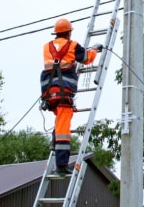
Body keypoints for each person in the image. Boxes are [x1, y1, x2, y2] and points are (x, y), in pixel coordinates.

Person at [40, 18, 102, 176]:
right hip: (63, 92)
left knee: (59, 122)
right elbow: (86, 58)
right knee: (63, 129)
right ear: (68, 32)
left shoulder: (46, 47)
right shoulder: (73, 45)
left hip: (49, 92)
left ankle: (55, 148)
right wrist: (94, 49)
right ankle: (61, 165)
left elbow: (61, 60)